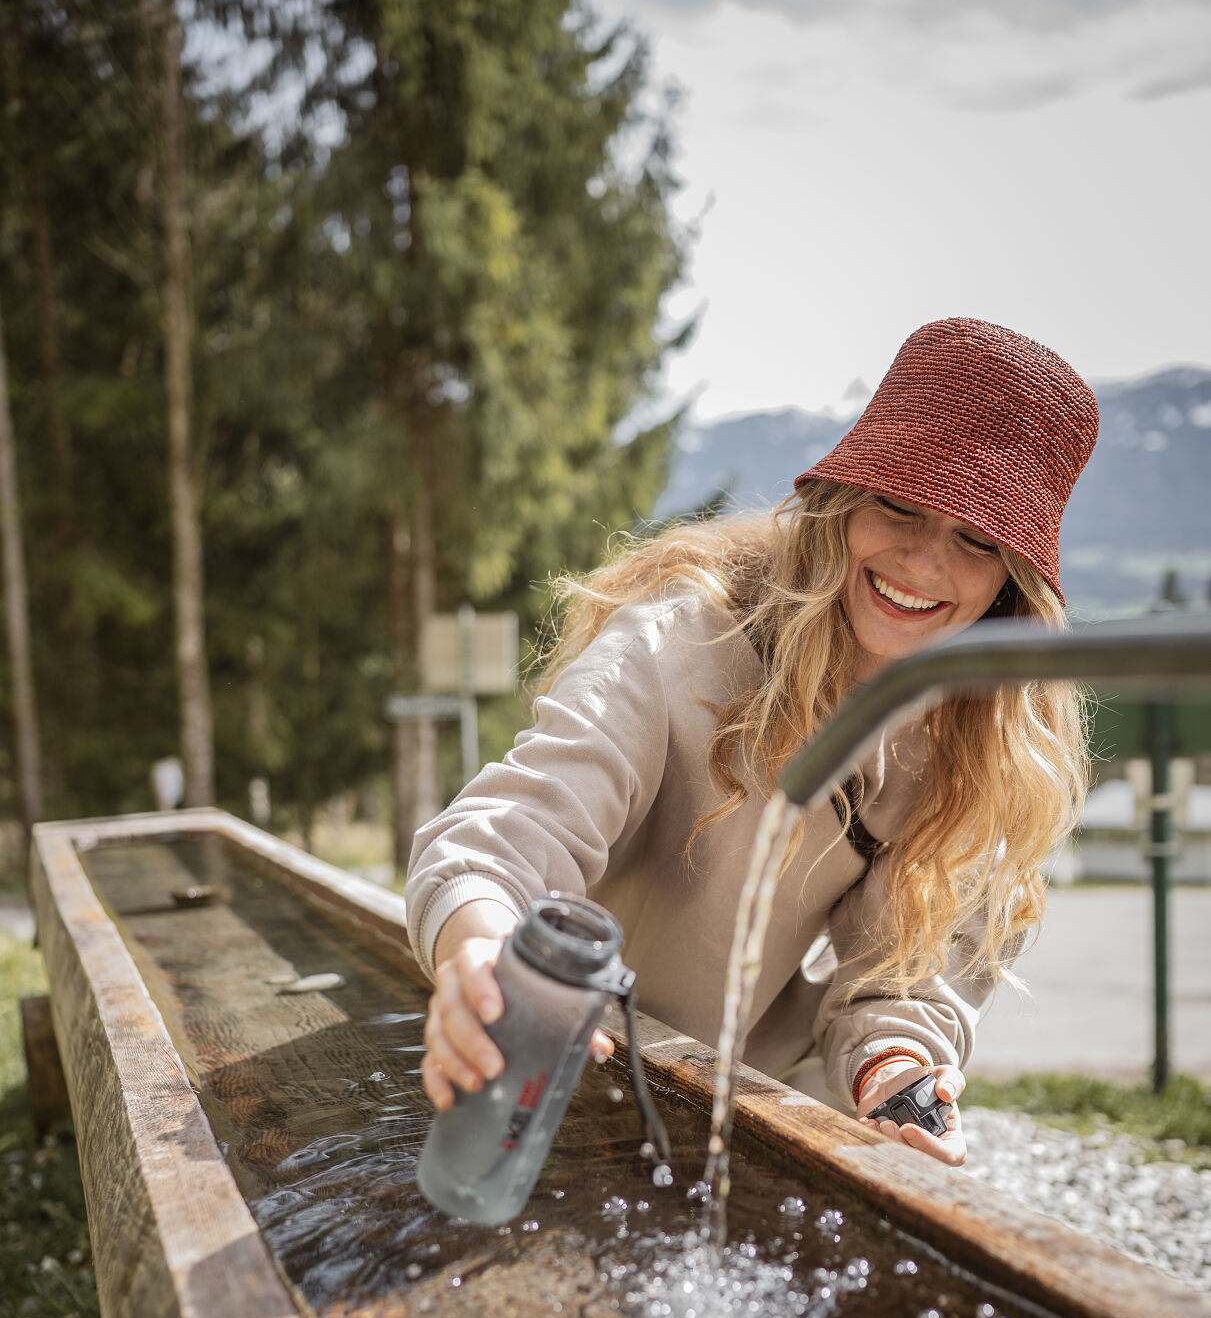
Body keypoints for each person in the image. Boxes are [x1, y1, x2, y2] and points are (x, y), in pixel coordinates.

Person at [405, 318, 1098, 1168]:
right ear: (843, 499)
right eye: (899, 505)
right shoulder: (679, 641)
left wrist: (894, 1068)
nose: (923, 563)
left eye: (976, 539)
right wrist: (478, 954)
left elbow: (898, 980)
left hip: (732, 1104)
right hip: (537, 1060)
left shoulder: (974, 757)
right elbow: (508, 834)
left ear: (1011, 586)